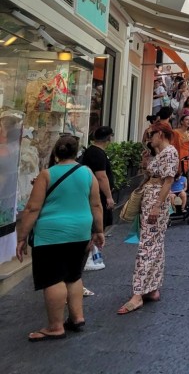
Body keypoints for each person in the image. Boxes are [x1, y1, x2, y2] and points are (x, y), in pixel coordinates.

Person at [15, 135, 104, 340]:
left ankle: (55, 326)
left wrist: (22, 236)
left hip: (51, 234)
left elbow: (32, 208)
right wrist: (98, 230)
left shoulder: (46, 175)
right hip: (80, 231)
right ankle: (77, 318)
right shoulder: (87, 173)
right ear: (76, 153)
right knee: (73, 276)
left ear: (56, 153)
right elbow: (96, 204)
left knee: (52, 277)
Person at [118, 120, 178, 314]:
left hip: (155, 201)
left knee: (147, 245)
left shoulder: (169, 152)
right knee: (154, 243)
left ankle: (138, 293)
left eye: (151, 134)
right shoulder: (162, 153)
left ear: (160, 134)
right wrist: (146, 164)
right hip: (152, 198)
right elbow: (156, 176)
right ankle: (151, 287)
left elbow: (168, 182)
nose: (149, 139)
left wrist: (156, 207)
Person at [80, 127, 115, 271]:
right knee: (97, 222)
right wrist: (109, 196)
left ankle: (92, 254)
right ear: (108, 138)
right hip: (98, 194)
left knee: (96, 223)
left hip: (94, 192)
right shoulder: (97, 153)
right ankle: (88, 256)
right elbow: (101, 176)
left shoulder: (93, 151)